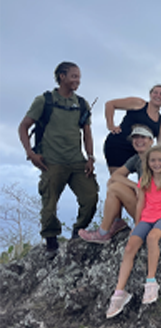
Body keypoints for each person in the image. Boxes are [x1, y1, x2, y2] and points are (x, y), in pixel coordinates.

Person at [18, 61, 98, 258]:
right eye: (73, 76)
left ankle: (78, 232)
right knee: (49, 203)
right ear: (62, 76)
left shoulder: (81, 103)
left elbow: (87, 132)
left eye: (79, 77)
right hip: (51, 160)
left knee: (91, 197)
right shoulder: (44, 100)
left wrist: (90, 157)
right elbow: (23, 127)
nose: (77, 81)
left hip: (77, 160)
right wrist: (30, 153)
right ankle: (51, 242)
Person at [105, 145, 161, 319]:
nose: (156, 163)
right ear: (147, 162)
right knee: (130, 247)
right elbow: (140, 204)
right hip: (147, 217)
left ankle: (151, 282)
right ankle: (119, 293)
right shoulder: (144, 179)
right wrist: (136, 225)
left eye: (160, 160)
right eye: (153, 160)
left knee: (152, 238)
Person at [79, 125, 154, 243]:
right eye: (135, 137)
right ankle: (116, 223)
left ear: (151, 141)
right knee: (113, 185)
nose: (138, 140)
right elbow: (115, 176)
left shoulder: (157, 159)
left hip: (154, 211)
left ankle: (103, 233)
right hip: (143, 206)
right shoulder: (136, 159)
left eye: (143, 137)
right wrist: (135, 186)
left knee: (114, 188)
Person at [103, 84, 161, 174]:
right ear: (150, 95)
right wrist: (110, 125)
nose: (158, 96)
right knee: (118, 180)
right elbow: (110, 104)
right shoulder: (139, 103)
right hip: (119, 145)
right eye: (155, 92)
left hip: (140, 153)